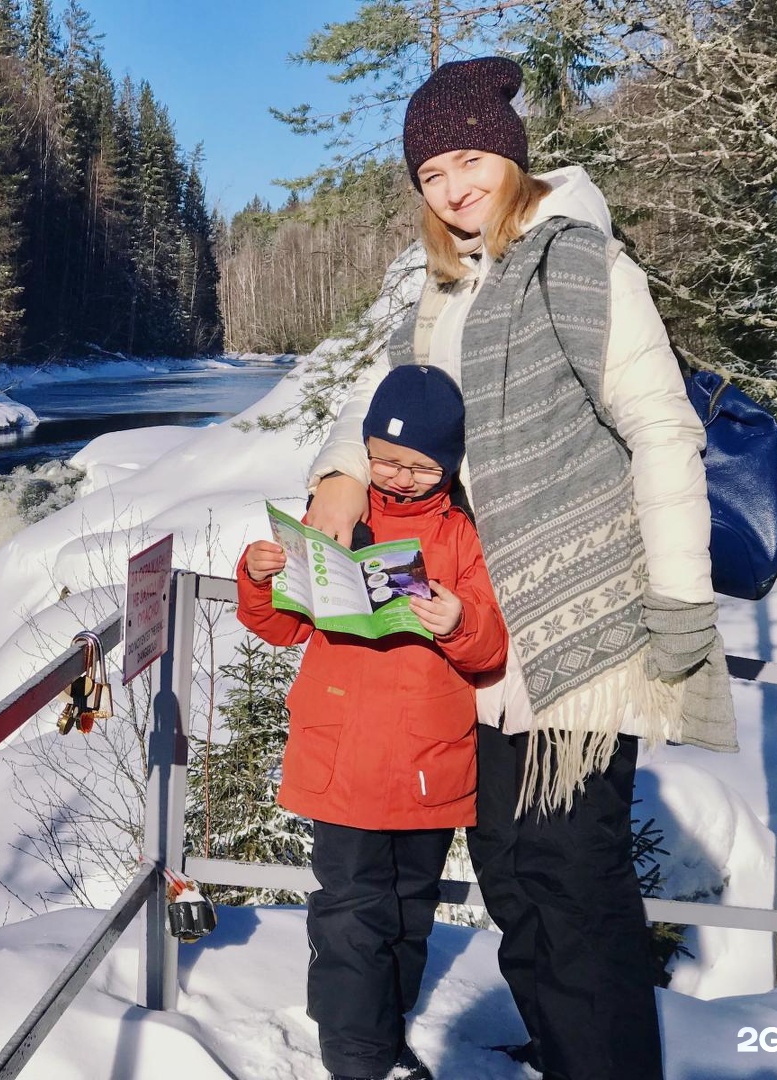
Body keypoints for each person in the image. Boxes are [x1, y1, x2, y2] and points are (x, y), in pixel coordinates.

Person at [301, 56, 738, 1080]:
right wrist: (339, 471)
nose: (453, 189)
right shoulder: (453, 289)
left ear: (508, 154)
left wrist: (679, 603)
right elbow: (384, 398)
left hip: (582, 630)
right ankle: (564, 1052)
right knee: (509, 869)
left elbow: (664, 432)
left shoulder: (581, 263)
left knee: (570, 885)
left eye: (467, 161)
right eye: (431, 175)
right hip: (490, 636)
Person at [238, 365, 509, 1080]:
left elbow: (491, 646)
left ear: (449, 464)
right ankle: (357, 1059)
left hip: (427, 764)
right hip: (344, 759)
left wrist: (458, 620)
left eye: (422, 466)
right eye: (386, 461)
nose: (402, 477)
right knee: (351, 914)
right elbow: (279, 627)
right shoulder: (338, 521)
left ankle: (382, 1035)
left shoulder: (461, 537)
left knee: (409, 912)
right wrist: (260, 575)